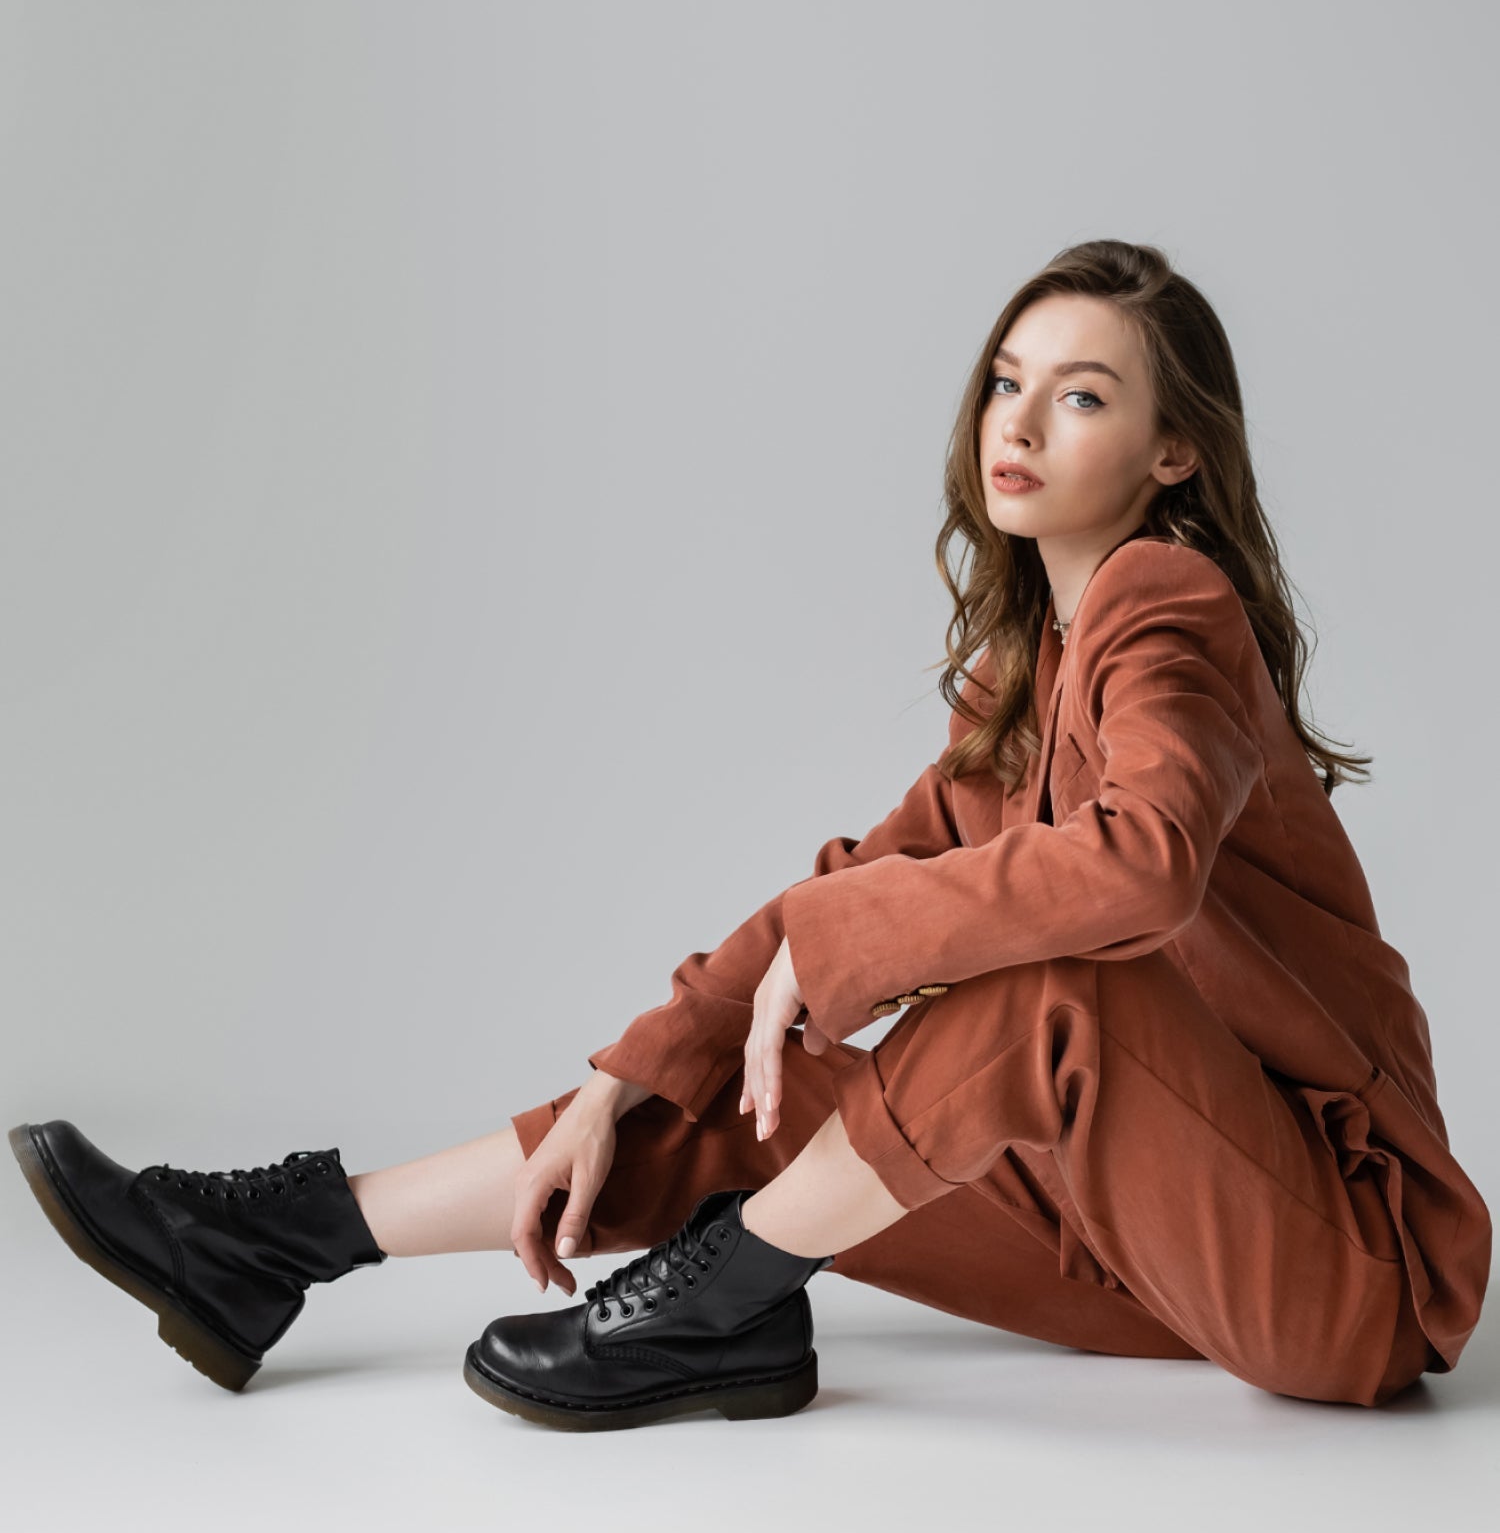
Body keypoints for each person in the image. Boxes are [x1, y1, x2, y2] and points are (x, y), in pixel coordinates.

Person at [13, 238, 1491, 1434]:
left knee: (1055, 992)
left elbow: (1141, 865)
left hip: (1347, 1275)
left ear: (1177, 452)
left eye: (1084, 396)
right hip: (1150, 1256)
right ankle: (279, 1246)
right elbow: (861, 881)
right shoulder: (1027, 672)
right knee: (783, 1082)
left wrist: (840, 950)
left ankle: (721, 1303)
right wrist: (634, 1068)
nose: (1020, 424)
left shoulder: (1169, 608)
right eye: (1004, 380)